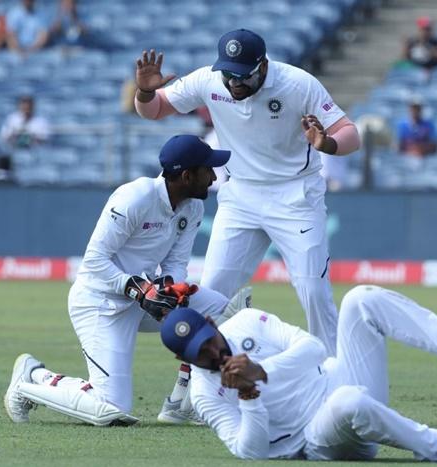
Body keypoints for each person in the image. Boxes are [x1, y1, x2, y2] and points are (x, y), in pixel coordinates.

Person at [134, 29, 361, 360]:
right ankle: (197, 383)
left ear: (263, 66)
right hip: (239, 196)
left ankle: (335, 377)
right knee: (210, 292)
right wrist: (144, 92)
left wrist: (328, 144)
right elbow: (155, 109)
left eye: (243, 76)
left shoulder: (298, 84)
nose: (234, 83)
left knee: (313, 291)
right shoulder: (210, 80)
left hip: (295, 197)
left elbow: (350, 133)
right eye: (228, 74)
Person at [4, 135, 250, 426]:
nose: (212, 177)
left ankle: (183, 404)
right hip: (100, 304)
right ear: (186, 175)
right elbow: (94, 261)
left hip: (143, 300)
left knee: (226, 313)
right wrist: (138, 289)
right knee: (111, 408)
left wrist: (169, 288)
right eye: (207, 170)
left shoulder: (192, 207)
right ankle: (30, 380)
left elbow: (175, 263)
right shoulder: (135, 197)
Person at [160, 285, 437, 461]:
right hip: (317, 436)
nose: (214, 355)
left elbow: (312, 346)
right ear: (183, 357)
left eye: (210, 342)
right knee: (348, 402)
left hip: (338, 379)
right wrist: (249, 397)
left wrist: (262, 371)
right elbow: (249, 452)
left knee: (361, 298)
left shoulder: (248, 321)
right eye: (200, 356)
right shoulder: (205, 394)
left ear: (211, 323)